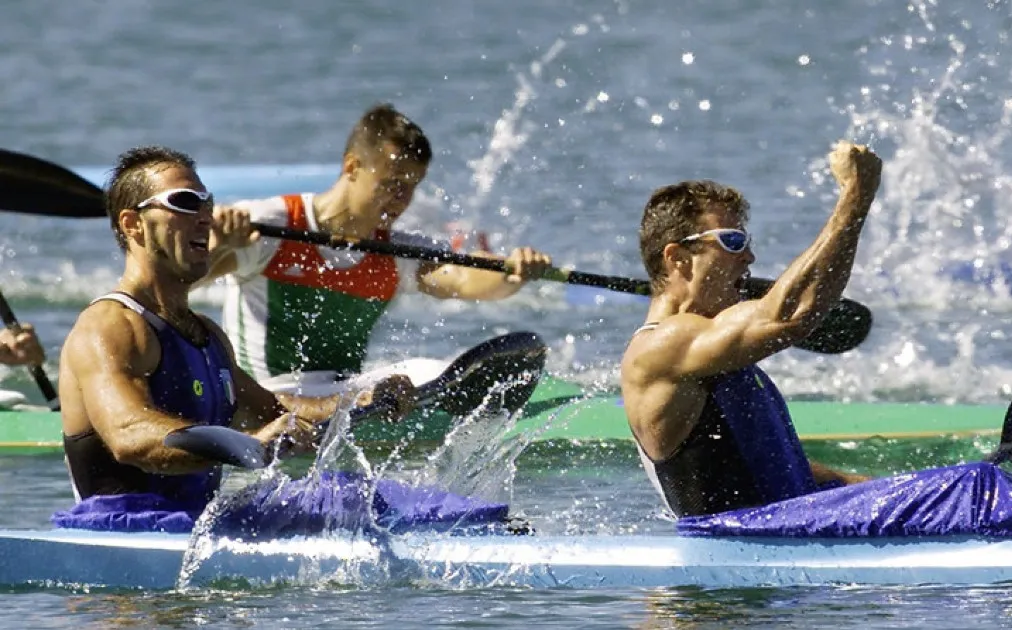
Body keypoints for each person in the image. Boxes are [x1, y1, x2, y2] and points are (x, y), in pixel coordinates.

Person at [56, 145, 417, 509]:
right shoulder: (110, 326)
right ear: (133, 224)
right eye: (184, 202)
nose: (204, 217)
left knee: (360, 497)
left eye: (207, 205)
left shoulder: (207, 336)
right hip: (122, 531)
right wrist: (251, 445)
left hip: (197, 529)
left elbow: (272, 410)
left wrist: (359, 400)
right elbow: (128, 435)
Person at [201, 103, 554, 387]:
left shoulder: (396, 252)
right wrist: (218, 244)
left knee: (426, 369)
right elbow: (181, 279)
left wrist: (512, 273)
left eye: (412, 186)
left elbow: (462, 277)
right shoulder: (271, 225)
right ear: (352, 167)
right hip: (268, 396)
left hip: (340, 397)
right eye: (392, 183)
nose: (402, 199)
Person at [620, 141, 882, 518]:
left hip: (787, 528)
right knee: (978, 489)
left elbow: (762, 467)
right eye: (732, 241)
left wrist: (868, 488)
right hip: (747, 542)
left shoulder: (706, 344)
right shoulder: (663, 344)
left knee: (960, 485)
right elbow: (791, 317)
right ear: (677, 258)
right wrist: (854, 198)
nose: (748, 256)